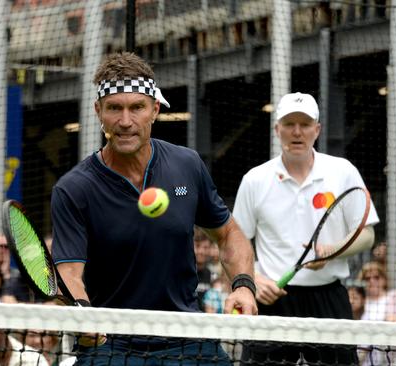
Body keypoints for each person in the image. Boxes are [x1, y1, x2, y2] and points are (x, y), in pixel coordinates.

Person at [51, 52, 257, 364]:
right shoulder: (74, 188)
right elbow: (69, 271)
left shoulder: (187, 164)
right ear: (98, 111)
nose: (125, 121)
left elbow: (229, 234)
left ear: (154, 109)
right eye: (114, 108)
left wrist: (243, 286)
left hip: (187, 337)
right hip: (111, 344)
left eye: (136, 107)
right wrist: (81, 314)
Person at [232, 91, 380, 365]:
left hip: (329, 299)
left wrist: (331, 251)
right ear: (277, 129)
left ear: (317, 129)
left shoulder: (343, 171)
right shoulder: (255, 180)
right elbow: (234, 243)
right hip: (272, 300)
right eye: (289, 124)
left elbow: (367, 235)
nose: (296, 132)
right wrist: (253, 279)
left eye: (305, 124)